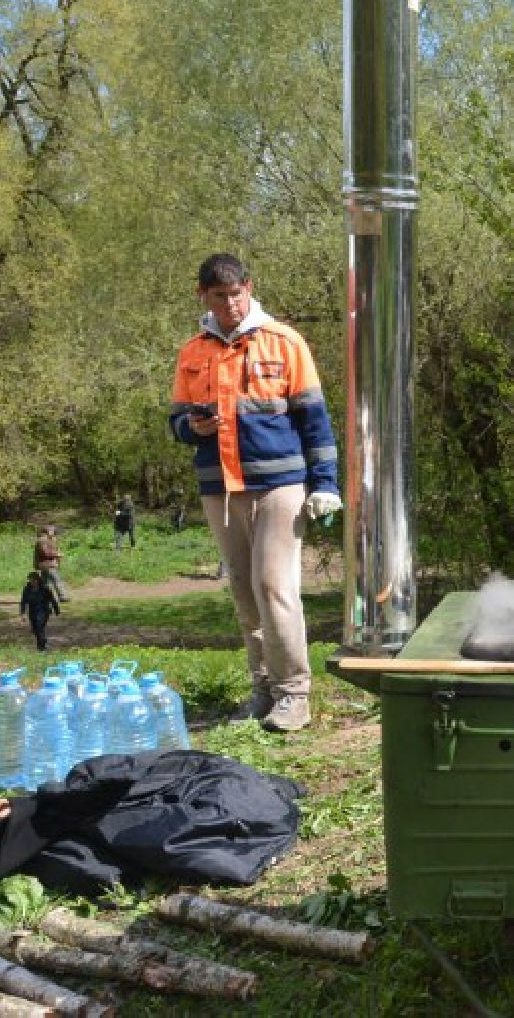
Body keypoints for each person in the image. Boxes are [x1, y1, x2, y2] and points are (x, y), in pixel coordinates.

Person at [169, 253, 341, 734]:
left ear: (249, 287)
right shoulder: (192, 353)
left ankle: (294, 694)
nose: (231, 305)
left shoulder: (285, 341)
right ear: (203, 295)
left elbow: (315, 419)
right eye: (220, 297)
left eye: (237, 293)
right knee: (245, 593)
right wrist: (192, 426)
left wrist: (325, 485)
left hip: (281, 485)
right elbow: (176, 425)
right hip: (220, 487)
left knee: (274, 587)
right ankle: (263, 689)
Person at [19, 571, 60, 652]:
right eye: (30, 580)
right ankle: (41, 643)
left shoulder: (45, 588)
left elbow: (52, 599)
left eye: (34, 580)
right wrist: (23, 613)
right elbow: (23, 601)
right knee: (35, 629)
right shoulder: (27, 589)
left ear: (38, 580)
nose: (32, 582)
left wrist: (56, 610)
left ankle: (42, 647)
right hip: (32, 611)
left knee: (39, 626)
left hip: (44, 610)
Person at [33, 526, 69, 602]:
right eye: (52, 530)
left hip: (46, 564)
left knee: (45, 583)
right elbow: (45, 553)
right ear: (47, 531)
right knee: (56, 580)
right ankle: (63, 596)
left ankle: (42, 597)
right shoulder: (42, 540)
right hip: (48, 564)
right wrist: (57, 554)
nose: (54, 532)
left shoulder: (46, 540)